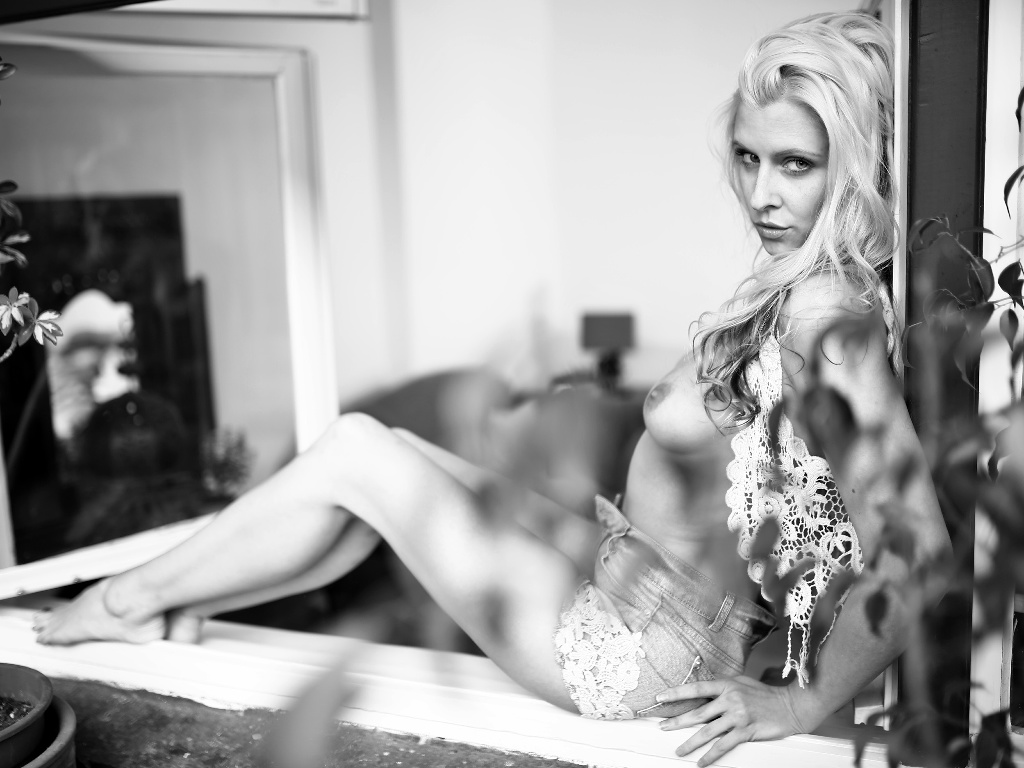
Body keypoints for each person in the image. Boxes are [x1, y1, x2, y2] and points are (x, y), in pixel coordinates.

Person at [33, 11, 951, 766]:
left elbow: (916, 553)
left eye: (796, 165)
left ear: (852, 165)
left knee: (357, 452)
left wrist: (799, 703)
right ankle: (175, 603)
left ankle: (122, 600)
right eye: (749, 158)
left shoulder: (825, 320)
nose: (761, 194)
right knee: (383, 459)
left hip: (644, 643)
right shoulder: (798, 285)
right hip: (629, 564)